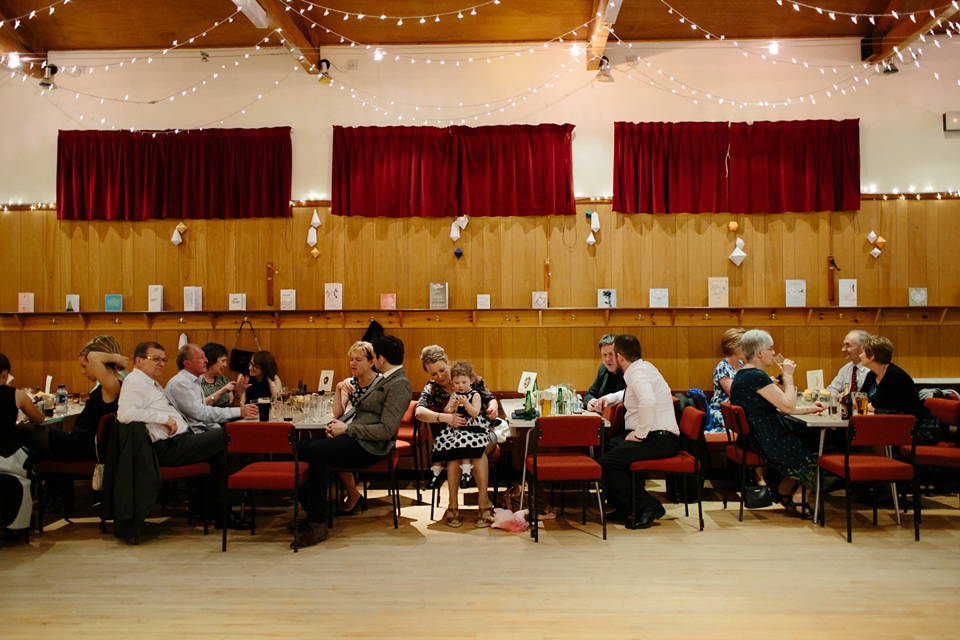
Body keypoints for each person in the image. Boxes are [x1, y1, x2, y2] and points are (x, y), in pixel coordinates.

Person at [294, 335, 413, 548]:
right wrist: (341, 426)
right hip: (356, 436)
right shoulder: (387, 379)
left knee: (316, 451)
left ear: (381, 359)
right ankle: (314, 511)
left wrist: (347, 428)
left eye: (373, 357)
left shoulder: (399, 384)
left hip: (371, 446)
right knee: (297, 449)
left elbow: (386, 431)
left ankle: (317, 522)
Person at [117, 341, 249, 530]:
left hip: (179, 440)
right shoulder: (135, 381)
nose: (161, 363)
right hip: (169, 446)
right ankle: (221, 511)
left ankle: (218, 510)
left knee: (223, 449)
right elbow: (125, 414)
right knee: (230, 435)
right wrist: (164, 418)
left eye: (163, 359)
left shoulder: (148, 382)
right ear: (138, 361)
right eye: (155, 359)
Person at [729, 329, 828, 517]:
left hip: (756, 438)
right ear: (759, 353)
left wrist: (809, 408)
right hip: (768, 440)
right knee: (824, 454)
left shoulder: (743, 375)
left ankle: (784, 491)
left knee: (814, 444)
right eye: (770, 349)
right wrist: (788, 378)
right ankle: (799, 498)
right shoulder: (757, 376)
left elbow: (778, 407)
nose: (773, 353)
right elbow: (788, 408)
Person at [592, 334, 680, 530]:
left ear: (620, 357)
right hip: (659, 436)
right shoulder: (642, 368)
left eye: (612, 355)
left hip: (659, 438)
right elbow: (628, 394)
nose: (610, 359)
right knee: (607, 451)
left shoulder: (637, 373)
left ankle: (648, 506)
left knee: (606, 464)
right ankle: (628, 507)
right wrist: (607, 399)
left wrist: (640, 434)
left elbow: (648, 401)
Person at [414, 345, 499, 527]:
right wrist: (445, 417)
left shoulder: (470, 379)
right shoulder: (432, 388)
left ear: (448, 363)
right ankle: (453, 506)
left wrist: (493, 407)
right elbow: (418, 411)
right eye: (433, 374)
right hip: (454, 438)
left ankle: (483, 504)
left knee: (476, 452)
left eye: (442, 370)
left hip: (481, 432)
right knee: (455, 455)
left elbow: (490, 398)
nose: (439, 376)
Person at [12, 335, 125, 463]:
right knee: (28, 449)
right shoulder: (112, 384)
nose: (82, 372)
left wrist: (115, 358)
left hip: (79, 447)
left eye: (84, 366)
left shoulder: (112, 386)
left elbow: (93, 356)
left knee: (17, 429)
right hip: (77, 443)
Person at [330, 341, 382, 517]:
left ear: (371, 362)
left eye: (358, 359)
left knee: (335, 446)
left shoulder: (381, 384)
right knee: (333, 444)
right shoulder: (349, 383)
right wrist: (338, 389)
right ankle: (352, 493)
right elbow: (338, 413)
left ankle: (352, 494)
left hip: (373, 434)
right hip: (351, 430)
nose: (353, 363)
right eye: (351, 359)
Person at [859, 335, 939, 445]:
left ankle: (884, 461)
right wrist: (864, 404)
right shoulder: (871, 375)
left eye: (862, 352)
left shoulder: (896, 376)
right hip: (893, 424)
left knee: (873, 436)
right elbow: (859, 398)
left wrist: (864, 405)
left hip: (918, 427)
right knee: (865, 434)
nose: (860, 355)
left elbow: (878, 406)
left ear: (872, 356)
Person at [165, 344, 258, 433]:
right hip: (192, 434)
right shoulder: (180, 383)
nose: (206, 361)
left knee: (245, 431)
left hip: (208, 427)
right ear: (187, 363)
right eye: (201, 358)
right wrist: (239, 411)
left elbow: (204, 415)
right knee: (239, 435)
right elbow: (200, 413)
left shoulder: (196, 381)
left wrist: (238, 396)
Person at [1, 353, 45, 539]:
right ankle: (17, 525)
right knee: (31, 470)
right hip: (7, 454)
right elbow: (39, 418)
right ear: (4, 374)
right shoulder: (16, 394)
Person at [708, 328, 746, 433]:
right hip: (723, 412)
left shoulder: (742, 365)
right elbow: (734, 393)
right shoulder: (723, 367)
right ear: (733, 347)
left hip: (738, 410)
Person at [584, 334, 626, 412]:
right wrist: (590, 402)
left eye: (611, 354)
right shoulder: (603, 369)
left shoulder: (628, 371)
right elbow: (590, 394)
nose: (607, 359)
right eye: (604, 355)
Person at [200, 343, 248, 408]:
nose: (225, 365)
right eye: (223, 361)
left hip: (227, 417)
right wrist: (221, 391)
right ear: (211, 361)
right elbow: (200, 405)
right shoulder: (198, 382)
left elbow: (233, 406)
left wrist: (237, 395)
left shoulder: (223, 379)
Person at [826, 330, 871, 396]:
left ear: (862, 348)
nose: (843, 350)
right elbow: (831, 389)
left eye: (848, 346)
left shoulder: (871, 369)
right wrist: (838, 396)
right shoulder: (846, 369)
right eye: (843, 345)